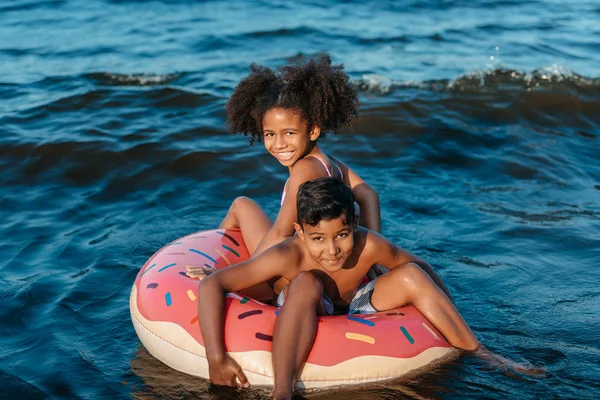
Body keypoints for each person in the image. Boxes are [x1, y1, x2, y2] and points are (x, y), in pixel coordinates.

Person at [197, 177, 486, 399]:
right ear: (300, 232)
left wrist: (450, 310)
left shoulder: (368, 244)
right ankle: (282, 392)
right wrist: (216, 358)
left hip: (355, 306)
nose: (332, 250)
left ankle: (481, 352)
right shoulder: (288, 254)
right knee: (307, 281)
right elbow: (213, 283)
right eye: (318, 238)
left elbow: (420, 266)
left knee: (409, 273)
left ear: (355, 224)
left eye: (342, 235)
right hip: (304, 302)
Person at [189, 54, 450, 298]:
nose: (279, 144)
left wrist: (238, 274)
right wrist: (367, 256)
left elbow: (281, 232)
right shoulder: (328, 161)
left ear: (312, 130)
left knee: (240, 210)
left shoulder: (304, 169)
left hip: (301, 271)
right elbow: (369, 194)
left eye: (289, 133)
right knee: (242, 205)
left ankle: (223, 271)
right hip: (313, 252)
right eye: (270, 134)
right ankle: (226, 261)